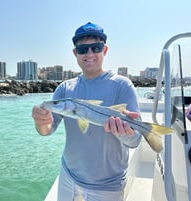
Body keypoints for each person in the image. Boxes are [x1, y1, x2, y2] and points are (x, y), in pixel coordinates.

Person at [32, 22, 142, 201]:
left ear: (104, 50)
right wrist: (41, 123)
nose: (89, 54)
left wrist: (123, 132)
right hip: (68, 175)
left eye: (95, 47)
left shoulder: (122, 85)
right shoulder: (64, 89)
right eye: (83, 49)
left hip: (108, 185)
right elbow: (46, 131)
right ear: (75, 53)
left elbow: (135, 140)